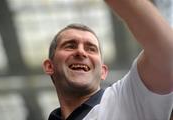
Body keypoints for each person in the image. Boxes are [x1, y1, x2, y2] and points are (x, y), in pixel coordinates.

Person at [43, 0, 173, 120]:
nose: (81, 52)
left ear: (103, 72)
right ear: (49, 66)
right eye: (70, 46)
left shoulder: (127, 99)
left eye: (91, 49)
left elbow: (167, 54)